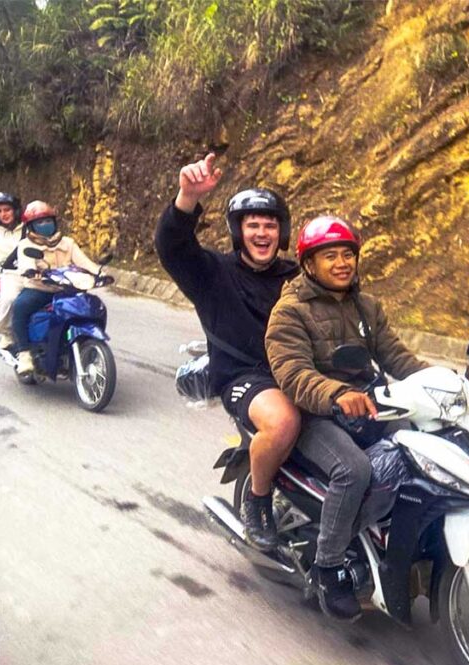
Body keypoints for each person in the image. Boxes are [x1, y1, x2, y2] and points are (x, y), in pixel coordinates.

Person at [265, 216, 431, 620]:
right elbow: (293, 374)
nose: (342, 263)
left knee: (424, 450)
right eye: (329, 256)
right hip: (315, 414)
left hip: (367, 406)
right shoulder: (290, 312)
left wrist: (442, 381)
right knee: (353, 471)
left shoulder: (366, 306)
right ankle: (328, 565)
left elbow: (397, 357)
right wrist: (337, 393)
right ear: (308, 264)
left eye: (347, 254)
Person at [154, 152, 300, 552]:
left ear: (281, 232)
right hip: (244, 379)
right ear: (239, 231)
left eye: (270, 225)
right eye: (253, 225)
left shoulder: (297, 277)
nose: (262, 233)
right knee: (284, 423)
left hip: (300, 375)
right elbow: (172, 247)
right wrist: (187, 198)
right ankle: (257, 498)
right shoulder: (213, 273)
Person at [11, 201, 102, 376]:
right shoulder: (26, 245)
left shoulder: (68, 243)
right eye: (40, 222)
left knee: (89, 308)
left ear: (55, 222)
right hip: (39, 290)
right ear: (31, 226)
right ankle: (24, 354)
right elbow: (25, 264)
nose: (45, 225)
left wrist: (99, 272)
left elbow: (84, 262)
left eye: (48, 221)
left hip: (67, 289)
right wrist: (32, 272)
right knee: (20, 308)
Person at [0, 191, 23, 350]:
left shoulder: (28, 229)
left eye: (7, 210)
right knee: (11, 299)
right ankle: (6, 332)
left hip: (31, 273)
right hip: (6, 275)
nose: (3, 214)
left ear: (15, 210)